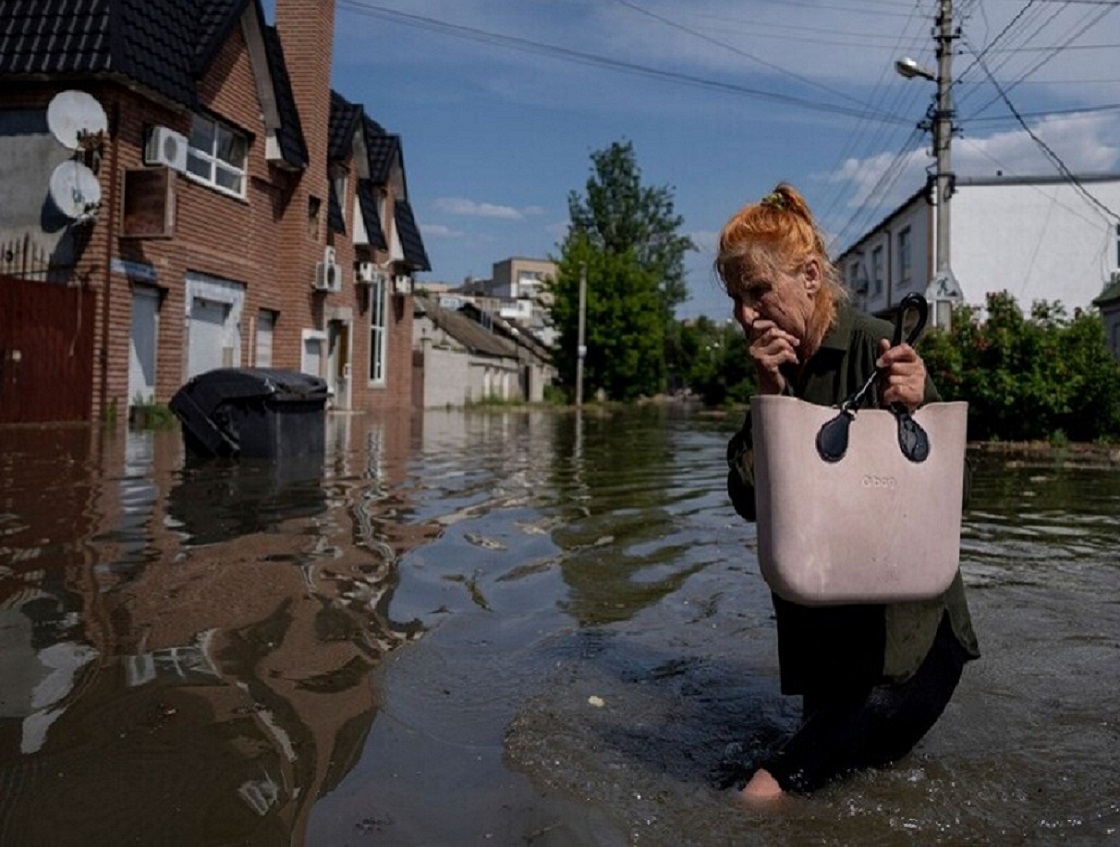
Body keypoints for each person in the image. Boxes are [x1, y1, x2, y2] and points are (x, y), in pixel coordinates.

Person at [716, 183, 980, 802]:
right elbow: (749, 500)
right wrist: (769, 395)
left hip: (907, 651)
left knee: (764, 793)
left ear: (810, 277)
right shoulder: (778, 367)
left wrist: (920, 404)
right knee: (838, 794)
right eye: (736, 299)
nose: (746, 316)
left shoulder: (877, 346)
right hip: (828, 650)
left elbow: (955, 499)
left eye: (758, 292)